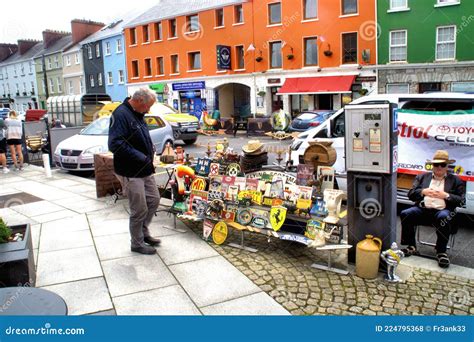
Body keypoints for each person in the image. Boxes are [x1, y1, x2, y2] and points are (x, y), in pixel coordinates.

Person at [108, 89, 161, 255]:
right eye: (147, 106)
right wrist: (139, 156)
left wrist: (150, 151)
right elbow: (115, 144)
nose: (148, 110)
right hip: (130, 170)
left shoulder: (137, 113)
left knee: (154, 200)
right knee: (139, 209)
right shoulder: (121, 114)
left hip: (144, 168)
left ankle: (143, 233)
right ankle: (137, 243)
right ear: (139, 101)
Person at [400, 150, 465, 268]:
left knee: (444, 217)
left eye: (443, 165)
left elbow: (461, 201)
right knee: (406, 213)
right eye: (436, 164)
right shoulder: (422, 177)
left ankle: (441, 251)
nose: (439, 167)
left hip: (443, 211)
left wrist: (446, 195)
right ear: (432, 165)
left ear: (447, 166)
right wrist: (423, 191)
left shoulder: (456, 180)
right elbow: (411, 194)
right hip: (423, 210)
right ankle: (411, 246)